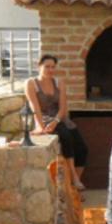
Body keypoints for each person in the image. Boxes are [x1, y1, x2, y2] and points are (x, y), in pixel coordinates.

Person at [26, 54, 88, 190]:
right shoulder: (31, 83)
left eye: (53, 67)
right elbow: (34, 107)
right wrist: (41, 126)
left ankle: (72, 185)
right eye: (47, 67)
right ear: (39, 66)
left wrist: (56, 121)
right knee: (65, 136)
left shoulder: (59, 82)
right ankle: (74, 178)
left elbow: (63, 108)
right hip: (44, 120)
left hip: (60, 118)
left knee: (82, 149)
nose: (50, 70)